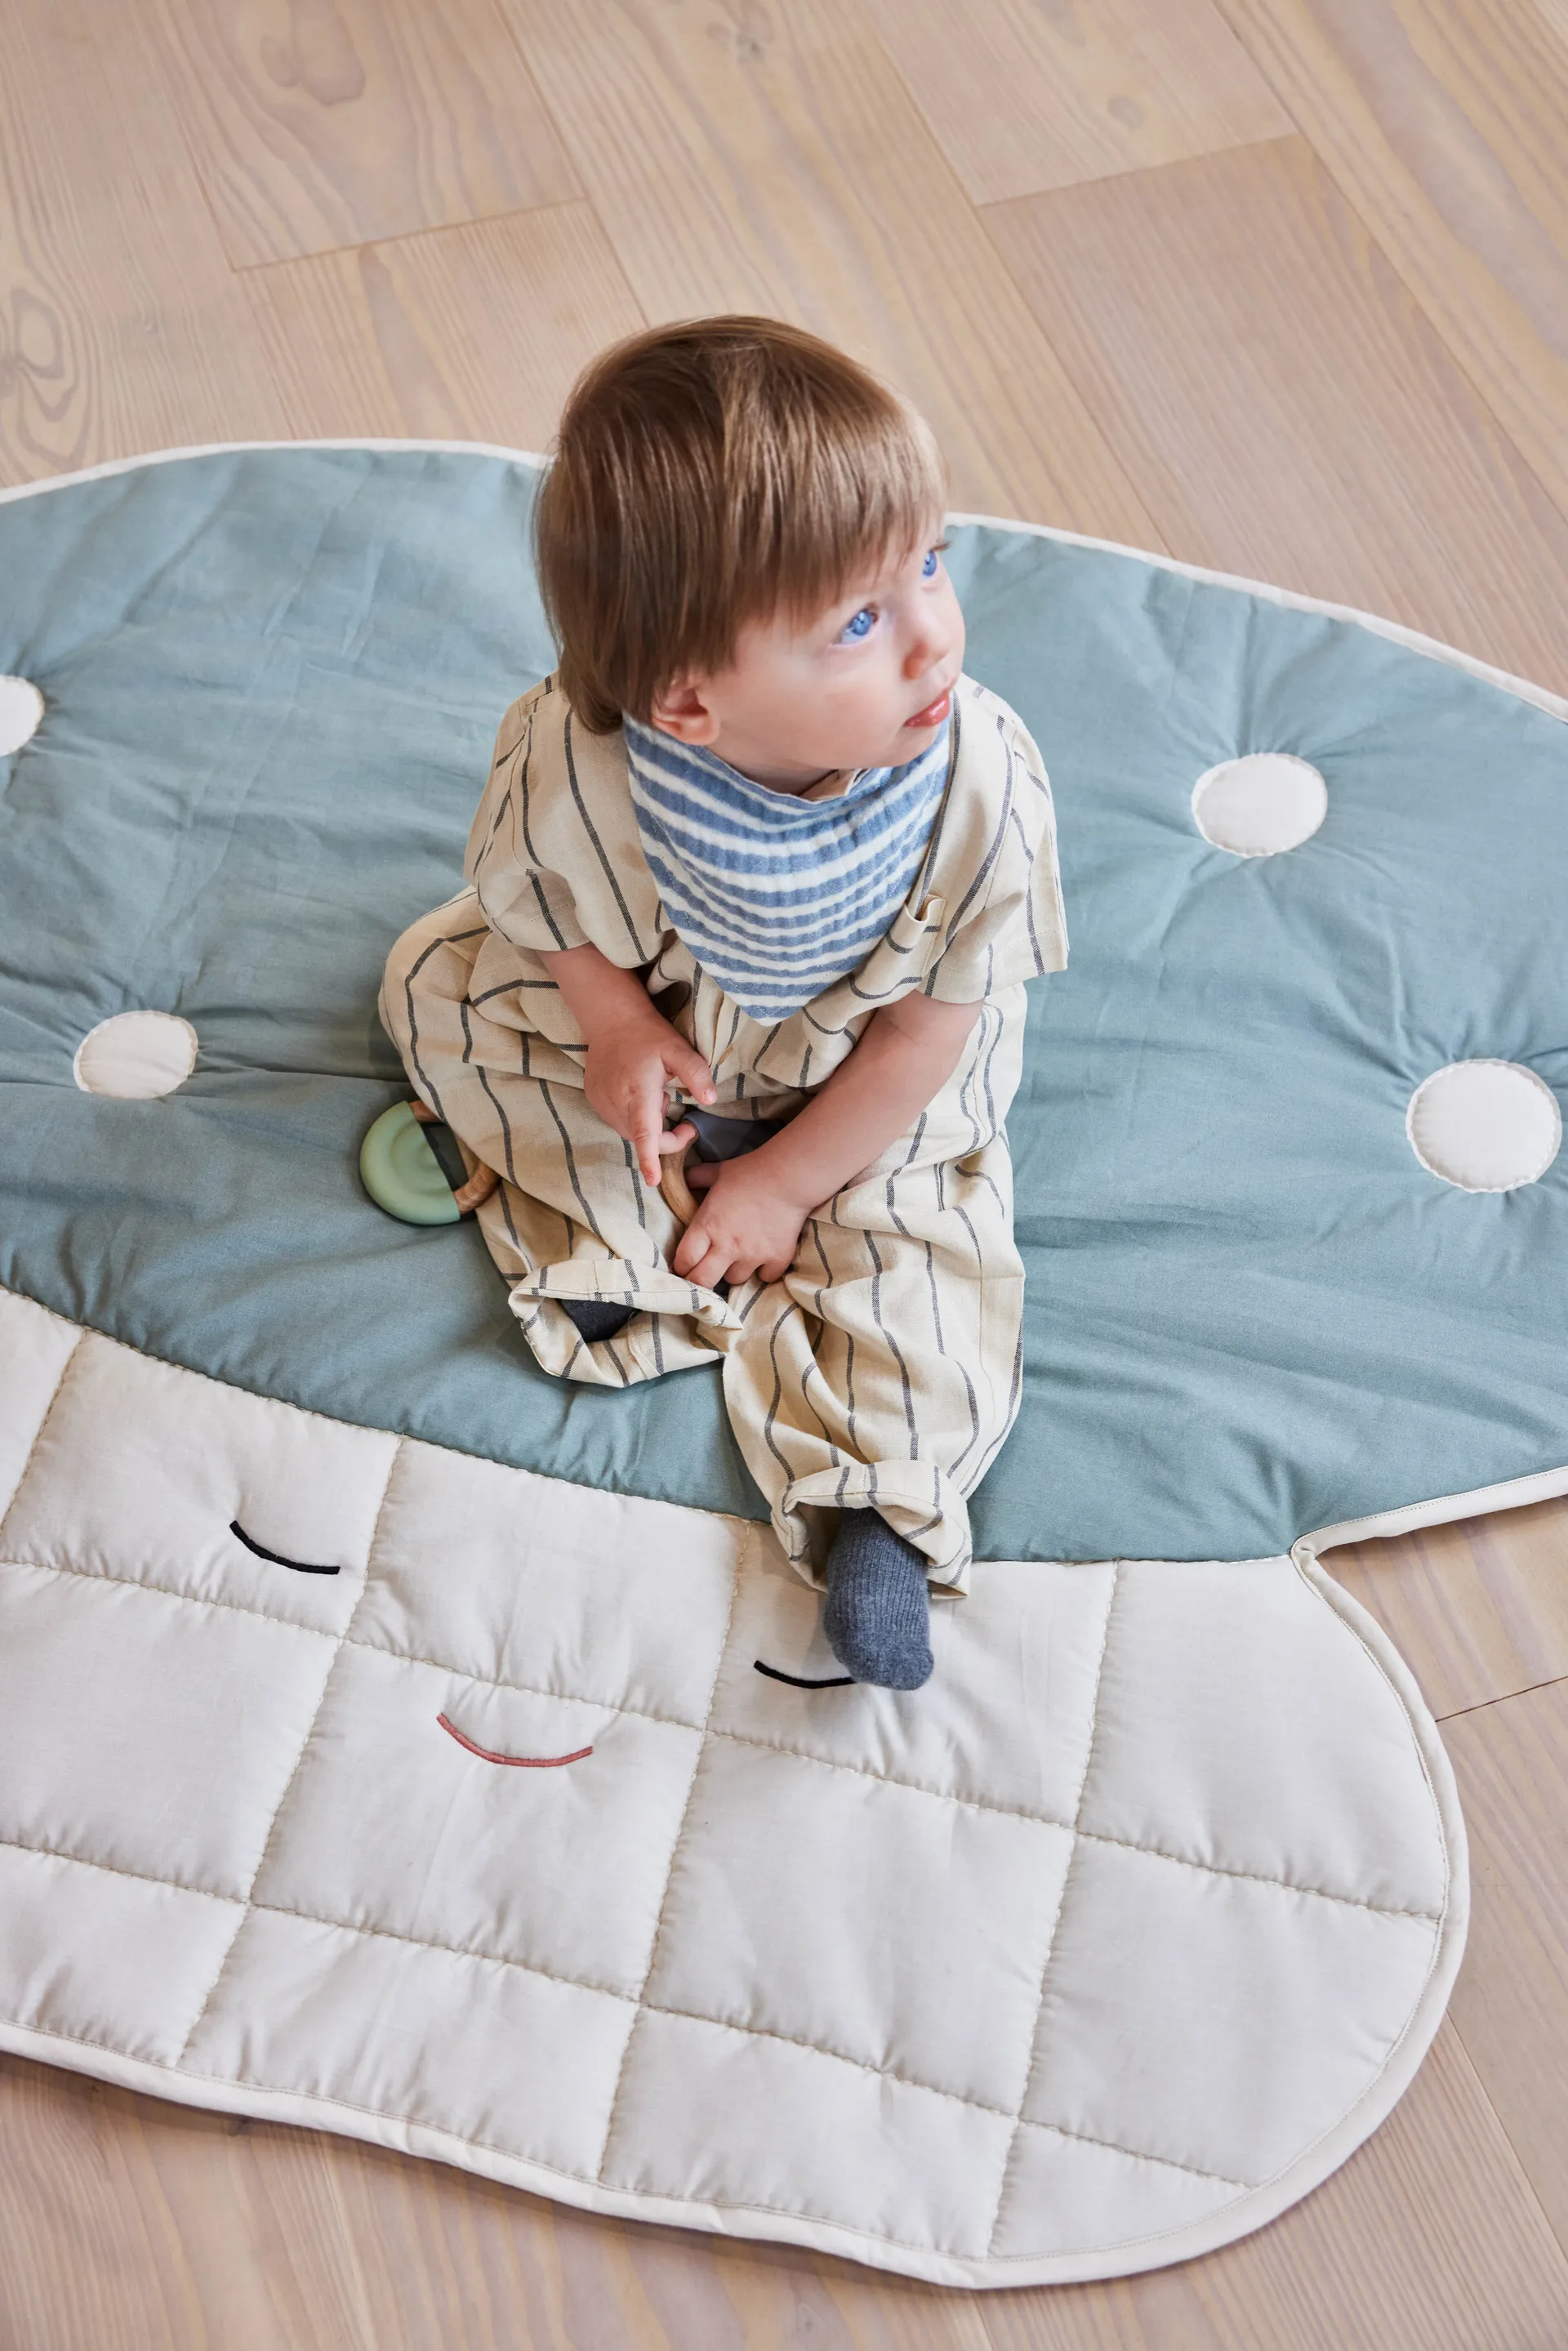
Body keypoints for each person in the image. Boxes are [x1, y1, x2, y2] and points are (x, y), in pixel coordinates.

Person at [381, 316, 1067, 1690]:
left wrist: (793, 1183)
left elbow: (929, 1030)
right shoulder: (579, 761)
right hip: (678, 1019)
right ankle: (633, 1253)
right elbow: (553, 912)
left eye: (931, 563)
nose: (935, 636)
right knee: (435, 980)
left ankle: (875, 1500)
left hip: (875, 1077)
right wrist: (618, 1023)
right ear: (686, 705)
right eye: (861, 622)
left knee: (930, 1229)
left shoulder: (983, 785)